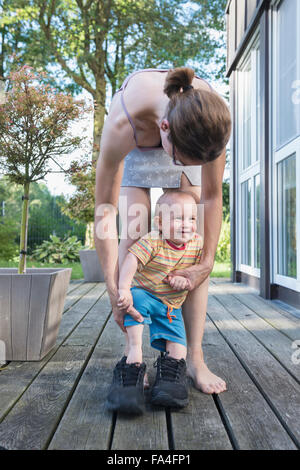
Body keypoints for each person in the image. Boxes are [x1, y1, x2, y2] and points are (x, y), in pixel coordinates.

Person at [95, 67, 231, 395]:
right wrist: (115, 290)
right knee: (135, 235)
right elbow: (105, 209)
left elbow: (212, 198)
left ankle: (193, 357)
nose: (181, 169)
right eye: (182, 162)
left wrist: (206, 263)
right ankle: (134, 354)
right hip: (138, 147)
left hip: (186, 138)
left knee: (190, 245)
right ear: (164, 128)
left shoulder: (210, 121)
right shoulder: (122, 122)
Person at [106, 190, 203, 414]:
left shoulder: (196, 243)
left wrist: (185, 279)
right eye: (178, 218)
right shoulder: (154, 239)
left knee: (178, 341)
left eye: (192, 219)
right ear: (160, 222)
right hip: (145, 292)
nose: (186, 224)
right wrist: (124, 289)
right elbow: (132, 258)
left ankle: (171, 375)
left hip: (171, 304)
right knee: (135, 306)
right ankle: (134, 361)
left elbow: (196, 272)